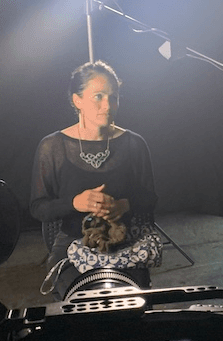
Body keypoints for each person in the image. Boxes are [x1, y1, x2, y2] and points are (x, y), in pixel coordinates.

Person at [30, 60, 160, 298]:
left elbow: (150, 198)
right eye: (98, 96)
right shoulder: (52, 147)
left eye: (114, 97)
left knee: (130, 304)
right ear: (77, 100)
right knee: (84, 305)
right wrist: (74, 203)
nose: (107, 105)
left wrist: (124, 205)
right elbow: (38, 208)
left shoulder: (134, 144)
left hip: (126, 243)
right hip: (72, 246)